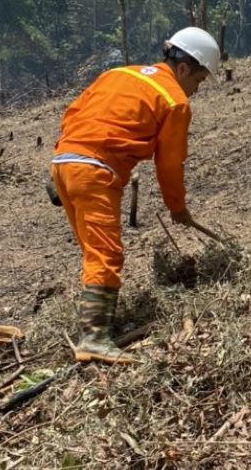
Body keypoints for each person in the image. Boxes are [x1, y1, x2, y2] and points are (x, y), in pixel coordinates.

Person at [50, 26, 221, 364]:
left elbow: (73, 114)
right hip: (96, 171)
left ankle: (94, 322)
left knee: (92, 251)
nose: (196, 90)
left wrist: (63, 161)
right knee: (105, 253)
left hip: (63, 163)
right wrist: (177, 207)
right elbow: (170, 164)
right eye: (199, 81)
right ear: (184, 68)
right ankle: (95, 339)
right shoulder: (174, 100)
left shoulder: (117, 74)